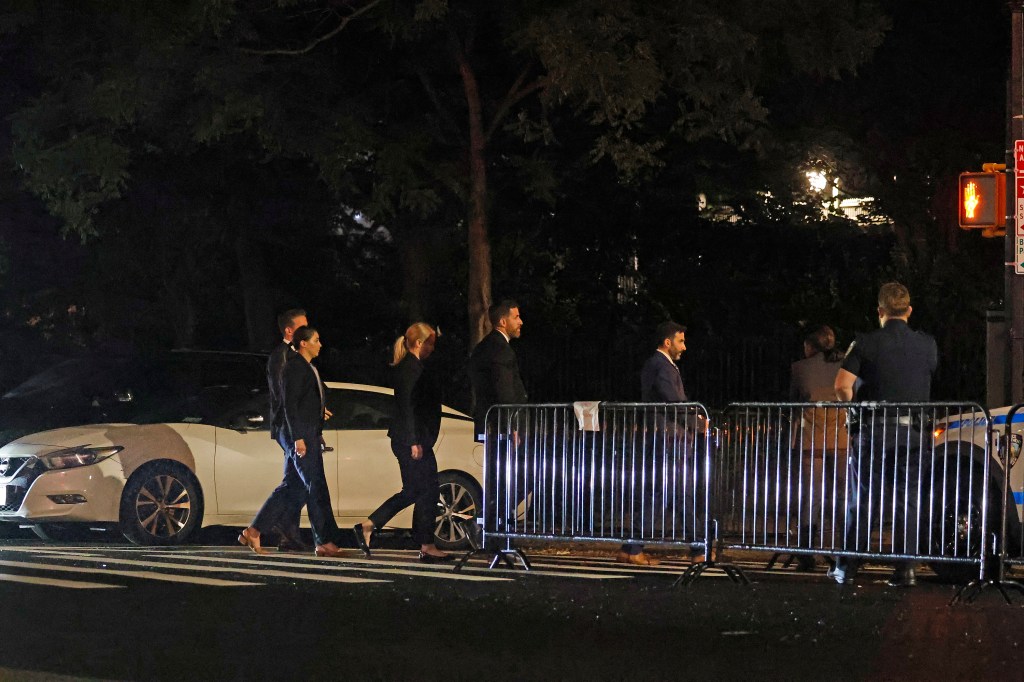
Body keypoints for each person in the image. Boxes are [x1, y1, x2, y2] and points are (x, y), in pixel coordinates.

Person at [830, 283, 938, 587]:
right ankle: (906, 569)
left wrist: (852, 409)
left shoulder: (865, 343)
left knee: (863, 497)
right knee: (909, 501)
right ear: (909, 311)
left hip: (874, 431)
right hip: (913, 433)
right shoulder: (927, 344)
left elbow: (841, 386)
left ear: (880, 312)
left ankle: (848, 567)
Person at [239, 326, 346, 557]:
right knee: (315, 486)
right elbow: (289, 404)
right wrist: (298, 438)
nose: (321, 344)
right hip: (300, 435)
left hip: (308, 433)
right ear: (304, 343)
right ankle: (323, 541)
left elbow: (305, 402)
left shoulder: (308, 367)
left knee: (293, 486)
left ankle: (254, 530)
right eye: (316, 340)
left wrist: (317, 421)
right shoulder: (294, 367)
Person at [353, 323, 451, 563]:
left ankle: (371, 525)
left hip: (412, 438)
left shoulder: (411, 367)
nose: (432, 349)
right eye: (430, 344)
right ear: (419, 343)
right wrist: (414, 441)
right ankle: (425, 544)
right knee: (426, 489)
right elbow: (408, 407)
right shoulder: (411, 369)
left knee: (417, 490)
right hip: (412, 440)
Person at [616, 321, 689, 567]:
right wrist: (700, 423)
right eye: (680, 341)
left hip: (663, 435)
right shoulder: (662, 367)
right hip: (668, 437)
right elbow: (676, 403)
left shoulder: (657, 364)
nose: (684, 347)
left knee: (664, 493)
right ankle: (697, 546)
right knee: (663, 493)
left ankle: (632, 547)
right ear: (667, 342)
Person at [787, 324, 848, 571]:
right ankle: (847, 547)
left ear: (810, 346)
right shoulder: (844, 365)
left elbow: (793, 399)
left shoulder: (800, 368)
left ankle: (806, 550)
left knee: (811, 495)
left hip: (811, 437)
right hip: (841, 437)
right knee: (843, 495)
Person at [261, 309, 309, 552]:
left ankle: (287, 534)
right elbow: (284, 395)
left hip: (292, 424)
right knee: (297, 481)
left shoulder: (293, 355)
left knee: (295, 481)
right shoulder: (281, 356)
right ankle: (258, 528)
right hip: (287, 425)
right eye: (302, 326)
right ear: (289, 330)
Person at [467, 300, 527, 441]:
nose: (521, 322)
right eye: (516, 317)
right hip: (499, 427)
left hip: (487, 421)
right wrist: (511, 427)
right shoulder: (501, 350)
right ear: (503, 322)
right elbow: (504, 391)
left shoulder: (483, 346)